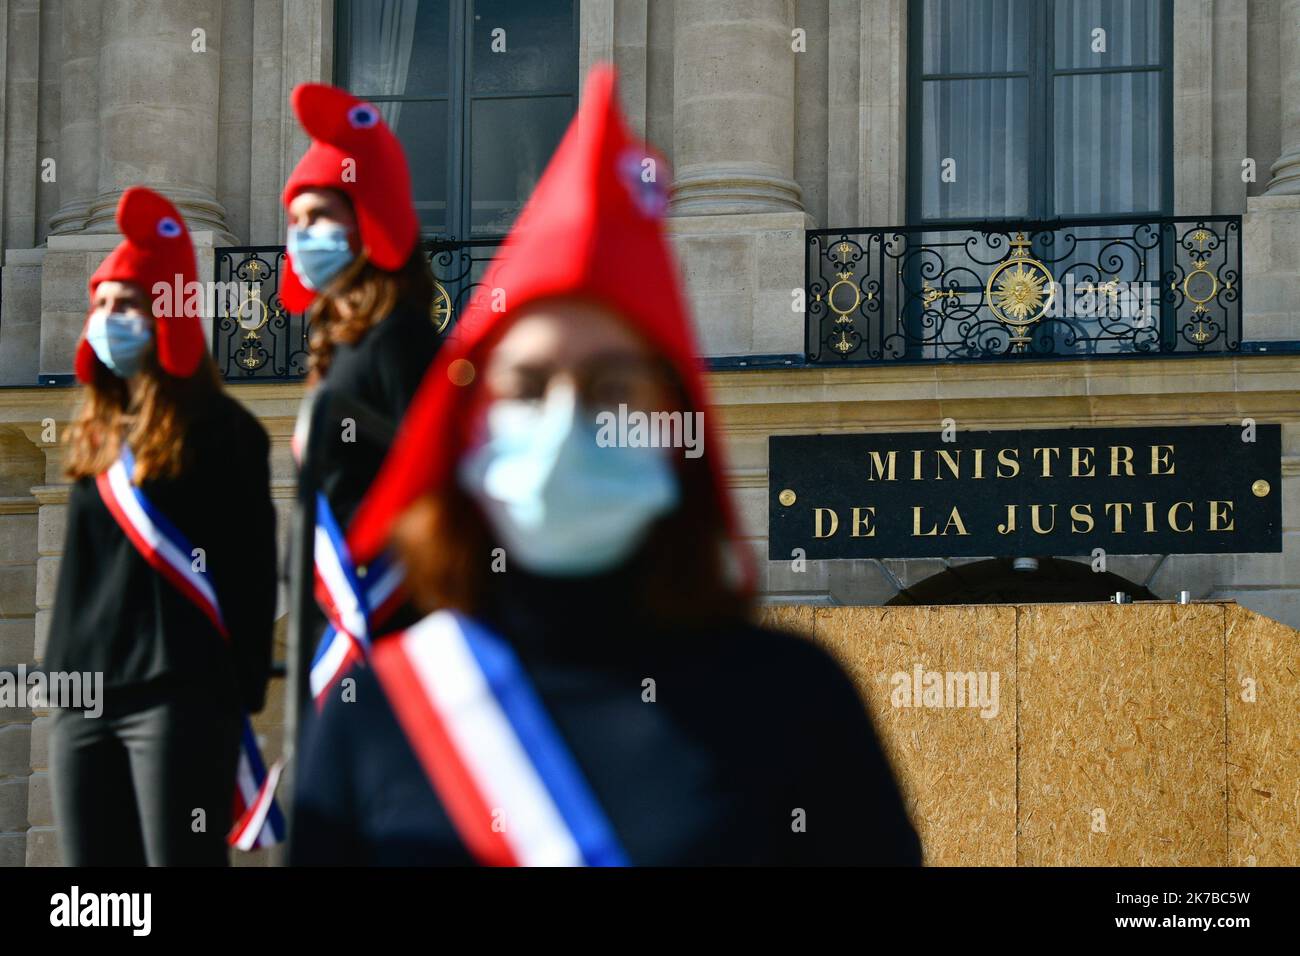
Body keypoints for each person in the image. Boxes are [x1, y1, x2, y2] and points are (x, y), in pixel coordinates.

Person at [290, 65, 921, 866]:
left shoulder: (796, 702)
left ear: (674, 421)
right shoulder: (374, 716)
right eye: (525, 385)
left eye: (611, 386)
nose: (565, 418)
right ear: (469, 427)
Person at [47, 187, 278, 865]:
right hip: (83, 698)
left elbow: (251, 574)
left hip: (181, 699)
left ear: (166, 316)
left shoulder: (226, 432)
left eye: (127, 304)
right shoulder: (92, 433)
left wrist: (237, 692)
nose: (108, 318)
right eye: (102, 305)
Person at [279, 83, 444, 700]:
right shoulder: (342, 345)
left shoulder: (400, 339)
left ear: (366, 218)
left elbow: (439, 481)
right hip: (331, 620)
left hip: (389, 630)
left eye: (318, 216)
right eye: (294, 221)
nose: (301, 236)